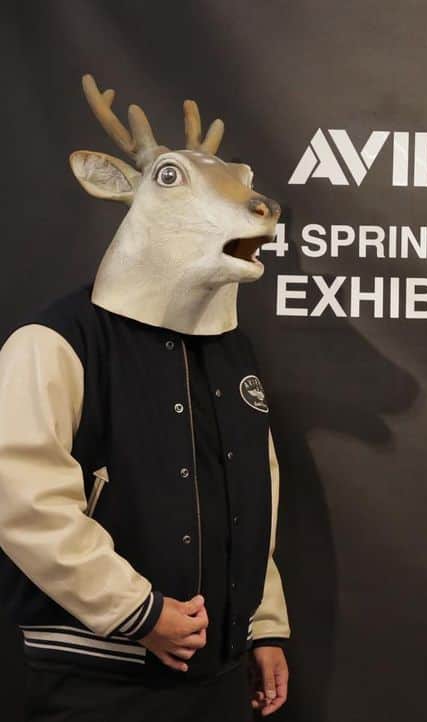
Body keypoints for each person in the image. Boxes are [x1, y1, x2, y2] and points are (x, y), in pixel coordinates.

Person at [0, 75, 290, 721]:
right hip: (99, 680)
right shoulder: (56, 343)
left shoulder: (228, 348)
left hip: (219, 676)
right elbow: (22, 499)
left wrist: (261, 624)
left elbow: (253, 490)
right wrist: (136, 611)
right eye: (172, 179)